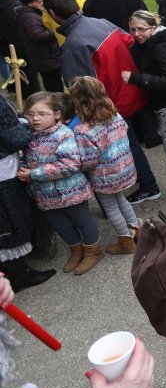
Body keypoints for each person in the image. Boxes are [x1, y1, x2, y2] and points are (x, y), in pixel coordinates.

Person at [42, 0, 160, 206]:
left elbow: (81, 88)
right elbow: (129, 41)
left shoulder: (74, 45)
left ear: (51, 13)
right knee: (130, 141)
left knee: (128, 144)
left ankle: (148, 185)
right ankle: (146, 183)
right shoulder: (101, 23)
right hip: (129, 90)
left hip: (113, 103)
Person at [18, 92, 103, 275]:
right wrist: (23, 168)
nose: (35, 118)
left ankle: (93, 252)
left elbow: (70, 164)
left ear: (57, 114)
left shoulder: (63, 135)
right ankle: (76, 250)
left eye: (42, 114)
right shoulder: (30, 135)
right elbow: (30, 158)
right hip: (44, 194)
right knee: (60, 225)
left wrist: (34, 173)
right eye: (30, 114)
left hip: (70, 192)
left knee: (82, 221)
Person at [123, 10, 166, 200]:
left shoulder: (161, 48)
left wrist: (136, 79)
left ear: (153, 28)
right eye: (132, 30)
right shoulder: (150, 44)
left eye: (141, 29)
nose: (136, 34)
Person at [69, 76, 140, 255]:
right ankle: (137, 230)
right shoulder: (115, 115)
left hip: (105, 177)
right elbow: (125, 131)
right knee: (121, 199)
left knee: (110, 207)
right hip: (124, 168)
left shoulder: (83, 130)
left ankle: (126, 241)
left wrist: (79, 164)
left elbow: (89, 160)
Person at [0, 96, 56, 291]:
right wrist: (25, 126)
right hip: (3, 175)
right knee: (11, 222)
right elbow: (13, 138)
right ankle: (19, 273)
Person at [15, 0, 64, 92]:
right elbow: (37, 36)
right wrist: (54, 29)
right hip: (45, 57)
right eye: (39, 1)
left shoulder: (33, 13)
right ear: (31, 3)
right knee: (54, 86)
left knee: (55, 83)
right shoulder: (29, 17)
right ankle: (58, 105)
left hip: (47, 56)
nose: (42, 4)